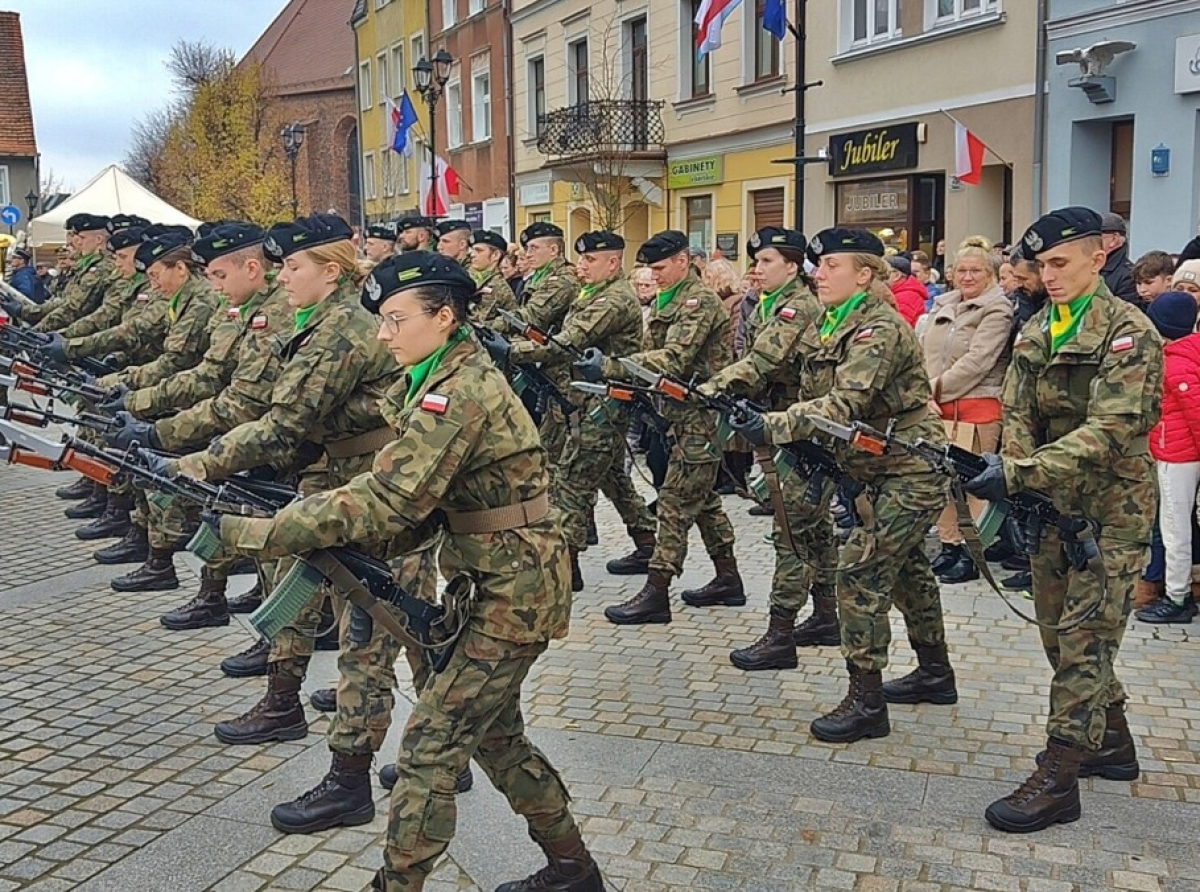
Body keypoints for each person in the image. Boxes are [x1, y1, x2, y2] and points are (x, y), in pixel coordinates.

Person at [206, 251, 603, 892]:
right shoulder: (434, 376)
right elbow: (420, 505)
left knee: (429, 751)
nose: (384, 333)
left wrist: (265, 531)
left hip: (515, 593)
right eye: (382, 320)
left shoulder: (459, 391)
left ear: (444, 317)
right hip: (497, 581)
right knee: (498, 741)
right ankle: (574, 871)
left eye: (395, 319)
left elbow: (392, 498)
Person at [170, 214, 403, 746]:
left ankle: (426, 738)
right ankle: (286, 699)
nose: (282, 277)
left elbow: (282, 424)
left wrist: (198, 461)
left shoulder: (339, 329)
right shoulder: (319, 321)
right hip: (330, 469)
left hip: (364, 476)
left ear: (331, 271)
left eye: (294, 266)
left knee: (374, 610)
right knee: (305, 585)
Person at [966, 206, 1161, 833]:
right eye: (1039, 264)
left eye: (1059, 263)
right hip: (1053, 506)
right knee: (1058, 636)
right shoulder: (1038, 330)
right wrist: (1019, 476)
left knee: (1083, 643)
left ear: (1097, 258)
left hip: (1113, 512)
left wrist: (1020, 475)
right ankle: (1113, 744)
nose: (1046, 275)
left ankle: (1059, 777)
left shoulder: (1127, 332)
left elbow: (1112, 429)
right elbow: (1017, 412)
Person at [726, 228, 954, 742]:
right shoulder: (831, 323)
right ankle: (936, 674)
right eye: (818, 266)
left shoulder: (878, 329)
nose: (818, 274)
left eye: (831, 267)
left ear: (865, 275)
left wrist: (773, 426)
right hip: (871, 467)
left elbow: (841, 406)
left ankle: (867, 700)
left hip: (909, 466)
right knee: (910, 574)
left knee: (861, 574)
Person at [576, 230, 742, 624]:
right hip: (678, 416)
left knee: (674, 503)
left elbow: (674, 359)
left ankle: (657, 590)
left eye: (661, 267)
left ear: (684, 261)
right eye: (650, 268)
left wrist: (611, 367)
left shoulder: (698, 302)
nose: (654, 275)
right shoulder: (668, 299)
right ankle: (729, 578)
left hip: (701, 415)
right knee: (703, 503)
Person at [483, 231, 656, 595]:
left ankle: (566, 566)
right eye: (582, 259)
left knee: (571, 483)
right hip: (581, 399)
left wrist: (511, 351)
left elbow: (569, 341)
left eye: (591, 260)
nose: (582, 266)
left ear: (613, 262)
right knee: (612, 478)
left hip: (603, 405)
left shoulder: (613, 299)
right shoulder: (592, 292)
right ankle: (646, 544)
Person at [700, 227, 840, 670]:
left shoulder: (796, 307)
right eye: (756, 262)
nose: (756, 270)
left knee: (791, 531)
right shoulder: (768, 303)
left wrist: (711, 386)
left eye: (766, 262)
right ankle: (826, 615)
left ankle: (781, 635)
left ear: (793, 267)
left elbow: (762, 362)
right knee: (814, 530)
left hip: (801, 428)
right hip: (787, 427)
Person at [922, 236, 1013, 585]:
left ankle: (971, 553)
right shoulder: (942, 305)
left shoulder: (997, 308)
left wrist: (933, 389)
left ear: (990, 274)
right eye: (961, 270)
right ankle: (949, 546)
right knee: (944, 483)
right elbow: (923, 351)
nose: (968, 276)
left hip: (977, 408)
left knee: (972, 485)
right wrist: (924, 391)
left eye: (976, 270)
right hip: (938, 408)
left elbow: (978, 362)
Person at [1135, 291, 1200, 624]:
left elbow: (1195, 413)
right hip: (1179, 450)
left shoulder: (1175, 363)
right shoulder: (1190, 352)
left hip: (1179, 454)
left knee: (1174, 527)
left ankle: (1178, 597)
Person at [1, 213, 114, 331]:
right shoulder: (87, 266)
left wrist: (36, 330)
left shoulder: (100, 268)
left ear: (99, 240)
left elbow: (72, 308)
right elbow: (63, 301)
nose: (77, 242)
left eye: (81, 238)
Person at [466, 229, 519, 322]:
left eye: (479, 251)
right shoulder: (469, 277)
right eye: (473, 250)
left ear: (495, 255)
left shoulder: (497, 287)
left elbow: (477, 320)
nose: (472, 255)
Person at [1100, 212, 1139, 306]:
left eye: (1097, 237)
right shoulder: (1090, 267)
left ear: (1114, 239)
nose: (1090, 242)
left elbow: (1127, 315)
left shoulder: (1128, 276)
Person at [886, 254, 928, 327]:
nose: (880, 276)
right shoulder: (902, 292)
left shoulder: (906, 297)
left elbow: (896, 327)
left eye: (885, 272)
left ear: (897, 275)